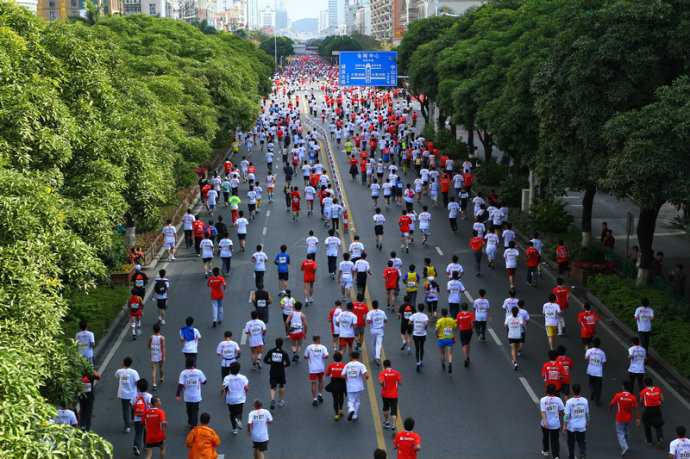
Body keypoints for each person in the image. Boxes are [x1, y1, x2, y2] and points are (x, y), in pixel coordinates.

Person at [609, 380, 640, 457]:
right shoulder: (633, 398)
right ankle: (625, 443)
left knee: (620, 433)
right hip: (628, 418)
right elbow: (636, 408)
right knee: (626, 432)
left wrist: (610, 408)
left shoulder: (618, 395)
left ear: (623, 387)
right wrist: (637, 418)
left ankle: (624, 447)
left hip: (619, 418)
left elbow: (612, 403)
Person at [177, 357, 207, 428]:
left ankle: (190, 422)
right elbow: (204, 382)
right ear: (194, 364)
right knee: (195, 411)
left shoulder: (183, 373)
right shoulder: (198, 372)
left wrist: (177, 394)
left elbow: (180, 385)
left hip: (187, 396)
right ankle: (194, 425)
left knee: (189, 410)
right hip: (196, 396)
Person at [221, 361, 249, 435]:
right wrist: (246, 393)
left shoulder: (227, 378)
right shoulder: (243, 377)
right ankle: (238, 419)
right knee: (239, 412)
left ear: (230, 369)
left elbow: (223, 388)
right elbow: (246, 388)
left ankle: (234, 429)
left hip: (230, 398)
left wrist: (221, 394)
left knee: (232, 413)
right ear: (239, 369)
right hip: (240, 398)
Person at [263, 338, 291, 410]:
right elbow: (288, 363)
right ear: (282, 344)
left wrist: (271, 363)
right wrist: (283, 365)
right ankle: (280, 401)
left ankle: (272, 398)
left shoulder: (271, 351)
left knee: (273, 386)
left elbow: (265, 360)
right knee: (281, 385)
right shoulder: (284, 353)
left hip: (273, 371)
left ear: (275, 343)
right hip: (281, 371)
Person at [563, 383, 589, 459]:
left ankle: (571, 456)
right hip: (582, 425)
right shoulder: (584, 400)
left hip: (572, 426)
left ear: (572, 391)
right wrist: (587, 422)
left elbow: (566, 415)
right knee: (581, 441)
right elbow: (587, 413)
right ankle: (583, 454)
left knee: (571, 441)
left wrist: (564, 426)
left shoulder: (569, 402)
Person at [540, 383, 565, 459]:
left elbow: (543, 411)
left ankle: (546, 450)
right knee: (555, 440)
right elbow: (561, 409)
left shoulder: (543, 400)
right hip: (555, 423)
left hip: (546, 423)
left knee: (545, 437)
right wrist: (558, 413)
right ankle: (556, 455)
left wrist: (544, 422)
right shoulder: (558, 400)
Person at [115, 356, 139, 432]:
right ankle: (133, 418)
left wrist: (122, 366)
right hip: (132, 394)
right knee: (133, 407)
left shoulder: (119, 371)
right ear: (131, 363)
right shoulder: (134, 372)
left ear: (123, 363)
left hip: (123, 394)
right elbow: (137, 382)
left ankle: (127, 426)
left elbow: (116, 376)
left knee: (125, 410)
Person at [343, 351, 369, 421]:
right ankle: (355, 415)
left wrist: (347, 378)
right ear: (358, 357)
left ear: (351, 357)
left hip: (350, 386)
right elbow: (366, 375)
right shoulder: (361, 365)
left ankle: (351, 410)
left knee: (351, 401)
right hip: (359, 386)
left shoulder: (347, 365)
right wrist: (366, 378)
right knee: (357, 401)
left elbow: (342, 375)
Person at [304, 335, 329, 406]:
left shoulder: (309, 347)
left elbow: (305, 356)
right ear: (318, 339)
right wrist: (324, 356)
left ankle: (315, 399)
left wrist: (311, 356)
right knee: (320, 380)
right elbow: (327, 356)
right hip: (321, 368)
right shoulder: (323, 347)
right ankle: (320, 394)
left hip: (312, 369)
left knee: (313, 383)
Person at [640, 377, 665, 448]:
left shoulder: (644, 391)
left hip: (648, 410)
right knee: (658, 425)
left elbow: (641, 401)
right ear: (652, 383)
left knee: (646, 424)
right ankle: (660, 438)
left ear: (645, 384)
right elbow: (662, 399)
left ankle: (649, 440)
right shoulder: (658, 389)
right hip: (657, 409)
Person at [379, 360, 402, 436]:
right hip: (394, 395)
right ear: (390, 365)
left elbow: (381, 382)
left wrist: (383, 385)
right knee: (394, 410)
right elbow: (400, 382)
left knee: (385, 408)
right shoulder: (395, 373)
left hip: (385, 394)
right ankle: (394, 425)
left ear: (384, 366)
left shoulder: (382, 373)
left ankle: (387, 422)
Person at [131, 378, 153, 456]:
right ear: (147, 387)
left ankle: (136, 446)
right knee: (146, 431)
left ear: (138, 387)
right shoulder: (149, 396)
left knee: (138, 433)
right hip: (147, 417)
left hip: (138, 418)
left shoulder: (135, 395)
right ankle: (146, 445)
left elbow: (132, 406)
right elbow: (151, 406)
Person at [585, 337, 606, 406]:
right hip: (599, 372)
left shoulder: (589, 351)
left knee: (591, 383)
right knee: (599, 386)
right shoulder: (602, 353)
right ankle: (597, 400)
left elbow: (586, 358)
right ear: (599, 344)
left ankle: (592, 390)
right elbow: (603, 362)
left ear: (592, 344)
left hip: (591, 370)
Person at [435, 308, 456, 373]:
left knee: (442, 353)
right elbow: (454, 328)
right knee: (449, 354)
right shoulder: (452, 320)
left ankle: (443, 365)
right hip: (450, 339)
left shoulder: (440, 320)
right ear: (447, 313)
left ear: (441, 314)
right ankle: (450, 363)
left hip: (442, 339)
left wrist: (437, 335)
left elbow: (436, 329)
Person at [409, 304, 429, 372]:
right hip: (422, 333)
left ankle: (417, 362)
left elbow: (409, 323)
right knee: (422, 347)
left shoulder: (414, 315)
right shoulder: (425, 316)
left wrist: (414, 324)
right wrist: (425, 327)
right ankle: (421, 360)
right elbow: (426, 324)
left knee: (417, 348)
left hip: (416, 333)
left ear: (418, 308)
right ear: (423, 309)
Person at [366, 300, 387, 365]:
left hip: (373, 329)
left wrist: (373, 321)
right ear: (378, 305)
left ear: (372, 305)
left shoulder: (370, 313)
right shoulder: (382, 312)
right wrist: (381, 322)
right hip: (380, 329)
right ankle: (378, 356)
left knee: (373, 344)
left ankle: (374, 357)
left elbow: (368, 321)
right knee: (379, 343)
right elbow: (385, 320)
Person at [455, 303, 474, 368]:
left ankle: (465, 357)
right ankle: (468, 355)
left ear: (462, 308)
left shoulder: (459, 315)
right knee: (468, 343)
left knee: (463, 345)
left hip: (462, 331)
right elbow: (473, 320)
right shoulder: (470, 314)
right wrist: (473, 326)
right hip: (469, 330)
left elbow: (456, 323)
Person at [148, 324, 166, 390]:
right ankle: (161, 377)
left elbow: (149, 346)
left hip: (153, 354)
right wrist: (163, 356)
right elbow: (163, 347)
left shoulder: (151, 337)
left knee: (154, 369)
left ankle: (154, 384)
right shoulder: (162, 338)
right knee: (161, 367)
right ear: (159, 330)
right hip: (160, 354)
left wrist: (152, 349)